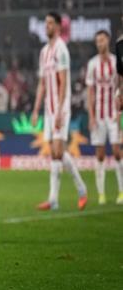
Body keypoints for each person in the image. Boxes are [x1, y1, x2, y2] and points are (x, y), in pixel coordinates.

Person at [31, 12, 88, 211]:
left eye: (49, 23)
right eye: (45, 23)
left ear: (58, 26)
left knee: (57, 151)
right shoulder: (44, 52)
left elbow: (64, 82)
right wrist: (36, 109)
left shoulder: (61, 49)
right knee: (56, 154)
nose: (46, 26)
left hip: (59, 108)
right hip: (48, 108)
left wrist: (60, 111)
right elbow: (42, 84)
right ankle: (62, 196)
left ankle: (71, 193)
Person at [86, 30, 123, 204]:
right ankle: (101, 194)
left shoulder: (117, 61)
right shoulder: (92, 64)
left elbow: (121, 85)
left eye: (102, 40)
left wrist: (120, 111)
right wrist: (91, 116)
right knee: (100, 155)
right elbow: (90, 92)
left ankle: (121, 191)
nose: (99, 43)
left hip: (114, 114)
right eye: (97, 41)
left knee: (117, 152)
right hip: (99, 116)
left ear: (108, 40)